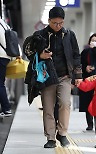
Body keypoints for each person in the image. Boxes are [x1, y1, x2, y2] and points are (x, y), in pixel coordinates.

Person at [24, 7, 82, 148]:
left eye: (61, 23)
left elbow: (76, 54)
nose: (58, 26)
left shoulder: (69, 35)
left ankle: (62, 134)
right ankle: (50, 138)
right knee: (48, 108)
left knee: (65, 103)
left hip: (64, 76)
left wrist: (78, 75)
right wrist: (40, 55)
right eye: (55, 23)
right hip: (47, 77)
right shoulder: (40, 35)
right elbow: (28, 50)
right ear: (49, 21)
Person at [79, 33, 96, 131]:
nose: (94, 42)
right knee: (88, 102)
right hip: (87, 79)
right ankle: (89, 124)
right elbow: (80, 63)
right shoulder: (85, 52)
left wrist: (94, 49)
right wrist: (85, 68)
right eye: (92, 40)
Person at [0, 18, 20, 117]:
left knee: (0, 84)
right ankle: (6, 108)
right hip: (5, 57)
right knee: (1, 83)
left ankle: (6, 108)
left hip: (0, 57)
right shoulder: (4, 24)